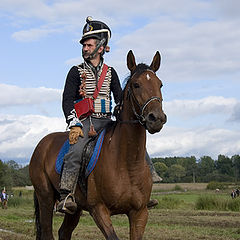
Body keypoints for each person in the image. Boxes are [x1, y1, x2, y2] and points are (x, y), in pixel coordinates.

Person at [57, 17, 161, 214]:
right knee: (76, 150)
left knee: (136, 144)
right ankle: (66, 194)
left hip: (107, 120)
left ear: (100, 47)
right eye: (84, 45)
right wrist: (74, 123)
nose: (85, 48)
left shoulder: (111, 73)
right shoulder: (76, 72)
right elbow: (66, 100)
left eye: (89, 44)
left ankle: (145, 189)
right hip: (85, 122)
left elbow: (120, 98)